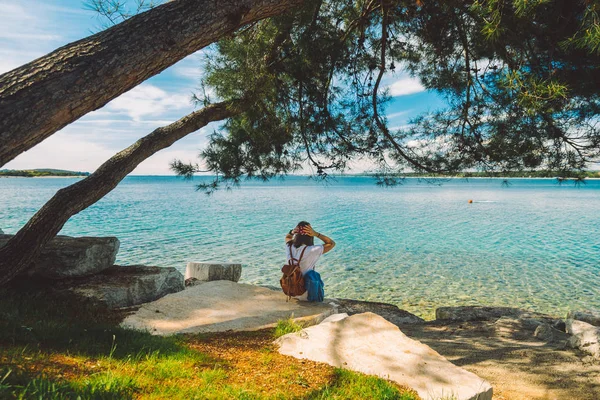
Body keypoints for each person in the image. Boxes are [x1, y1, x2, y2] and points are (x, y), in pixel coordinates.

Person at [284, 221, 335, 301]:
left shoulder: (289, 246)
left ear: (297, 234)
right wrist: (316, 234)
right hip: (306, 295)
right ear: (310, 235)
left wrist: (292, 232)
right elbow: (331, 243)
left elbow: (288, 237)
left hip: (293, 291)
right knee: (313, 275)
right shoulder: (312, 250)